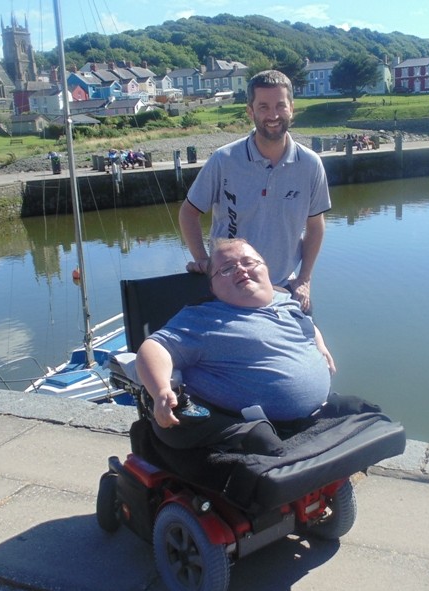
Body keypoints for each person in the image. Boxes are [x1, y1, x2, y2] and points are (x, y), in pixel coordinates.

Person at [136, 238, 336, 455]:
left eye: (249, 262)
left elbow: (306, 324)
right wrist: (160, 390)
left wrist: (319, 344)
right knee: (267, 445)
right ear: (212, 287)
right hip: (249, 426)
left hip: (314, 417)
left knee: (363, 413)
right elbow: (154, 348)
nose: (241, 269)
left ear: (266, 269)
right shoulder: (205, 318)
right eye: (227, 269)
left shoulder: (285, 299)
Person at [179, 69, 331, 313]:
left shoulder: (310, 165)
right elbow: (188, 213)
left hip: (282, 289)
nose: (273, 115)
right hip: (230, 290)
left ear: (291, 108)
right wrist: (204, 262)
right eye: (263, 107)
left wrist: (304, 279)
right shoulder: (224, 160)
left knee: (316, 350)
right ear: (250, 111)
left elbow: (316, 226)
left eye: (280, 106)